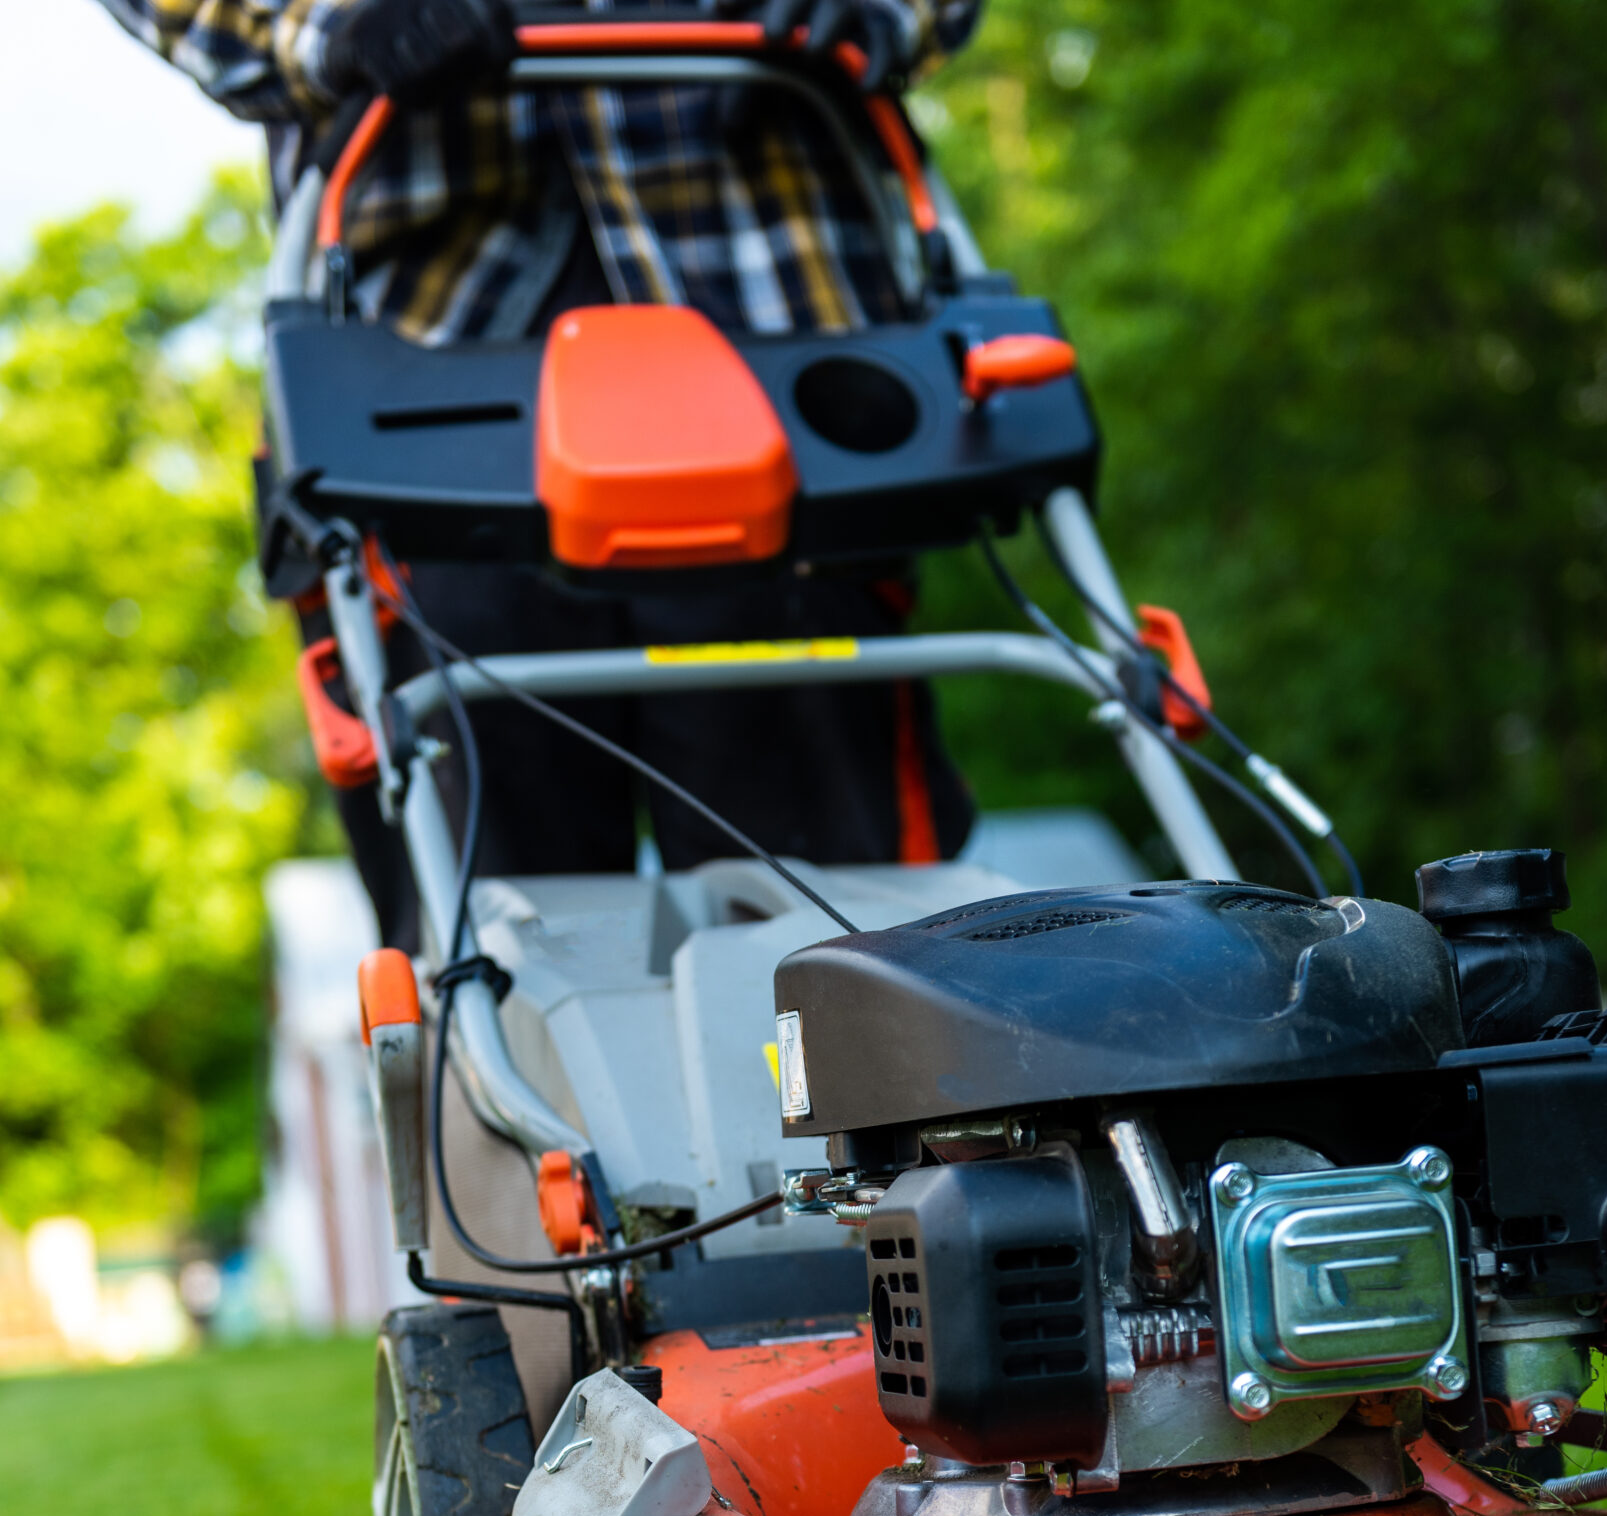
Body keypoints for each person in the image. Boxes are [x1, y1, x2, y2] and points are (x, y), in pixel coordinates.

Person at [98, 0, 985, 945]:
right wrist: (329, 23)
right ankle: (492, 1081)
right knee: (491, 932)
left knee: (842, 916)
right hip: (423, 373)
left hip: (776, 337)